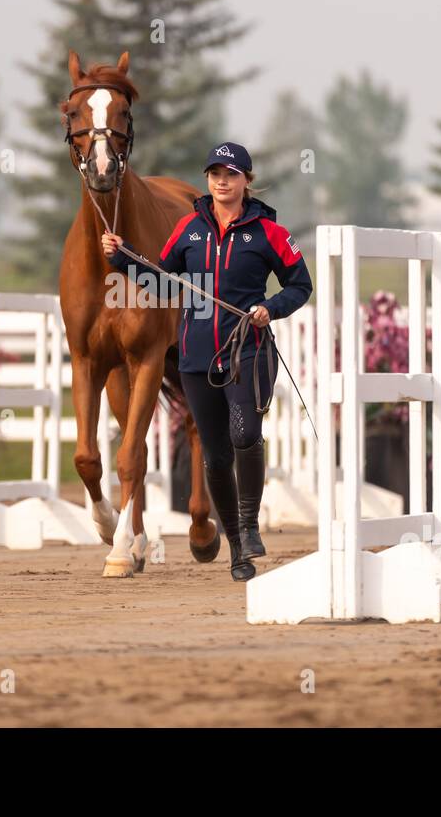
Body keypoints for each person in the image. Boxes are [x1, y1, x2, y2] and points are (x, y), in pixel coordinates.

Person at [102, 142, 313, 581]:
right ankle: (236, 545)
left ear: (246, 182)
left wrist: (269, 309)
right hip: (197, 358)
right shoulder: (188, 230)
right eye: (215, 173)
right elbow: (160, 283)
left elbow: (300, 285)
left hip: (249, 352)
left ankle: (251, 525)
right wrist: (121, 258)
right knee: (215, 457)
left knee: (245, 434)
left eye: (231, 174)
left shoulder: (270, 233)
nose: (222, 181)